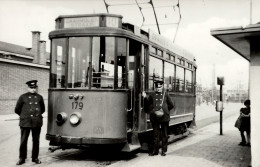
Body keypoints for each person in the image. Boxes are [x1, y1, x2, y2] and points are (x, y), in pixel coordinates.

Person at [15, 80, 45, 165]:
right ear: (28, 88)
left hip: (36, 122)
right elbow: (17, 109)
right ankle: (22, 158)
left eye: (35, 88)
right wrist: (24, 116)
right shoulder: (22, 97)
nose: (33, 89)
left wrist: (36, 116)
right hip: (26, 122)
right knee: (23, 141)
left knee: (36, 141)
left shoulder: (40, 97)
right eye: (31, 88)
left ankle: (35, 158)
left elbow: (42, 109)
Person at [143, 80, 174, 156]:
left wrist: (165, 110)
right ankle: (155, 151)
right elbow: (148, 104)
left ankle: (164, 150)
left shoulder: (165, 94)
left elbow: (171, 105)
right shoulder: (152, 95)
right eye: (157, 87)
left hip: (164, 117)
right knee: (155, 135)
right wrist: (145, 97)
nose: (158, 88)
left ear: (162, 87)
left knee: (164, 134)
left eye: (159, 87)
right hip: (155, 117)